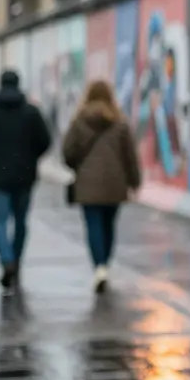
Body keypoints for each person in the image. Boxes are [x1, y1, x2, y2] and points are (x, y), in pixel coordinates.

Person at [0, 70, 52, 289]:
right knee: (21, 222)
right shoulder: (31, 112)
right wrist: (31, 158)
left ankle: (6, 261)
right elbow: (45, 141)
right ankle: (16, 261)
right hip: (24, 176)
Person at [62, 79, 141, 293]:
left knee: (93, 225)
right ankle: (105, 263)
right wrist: (135, 181)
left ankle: (99, 267)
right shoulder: (120, 123)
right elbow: (130, 157)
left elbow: (67, 153)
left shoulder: (79, 121)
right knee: (109, 225)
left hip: (88, 185)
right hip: (115, 184)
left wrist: (78, 166)